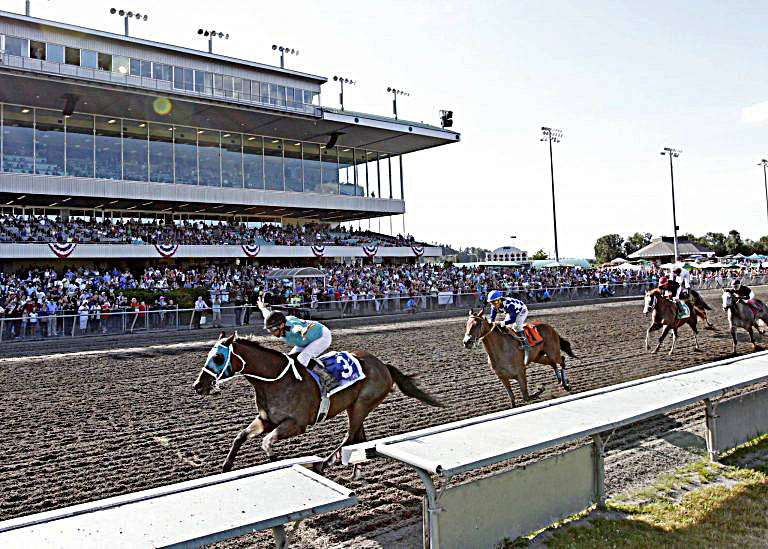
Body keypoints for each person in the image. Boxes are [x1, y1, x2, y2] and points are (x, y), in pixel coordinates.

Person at [257, 297, 339, 394]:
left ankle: (329, 379)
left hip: (321, 337)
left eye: (273, 330)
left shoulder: (291, 326)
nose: (272, 333)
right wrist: (262, 308)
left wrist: (302, 330)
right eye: (269, 330)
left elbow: (296, 327)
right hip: (306, 340)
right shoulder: (279, 321)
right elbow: (267, 314)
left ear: (282, 325)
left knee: (302, 358)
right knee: (290, 359)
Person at [486, 290, 532, 363]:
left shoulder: (509, 305)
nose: (494, 304)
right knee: (507, 327)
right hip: (511, 312)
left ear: (500, 300)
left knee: (517, 326)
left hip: (521, 311)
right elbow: (492, 317)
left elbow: (512, 319)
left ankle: (526, 344)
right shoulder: (494, 306)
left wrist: (501, 322)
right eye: (491, 302)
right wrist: (490, 321)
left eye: (495, 302)